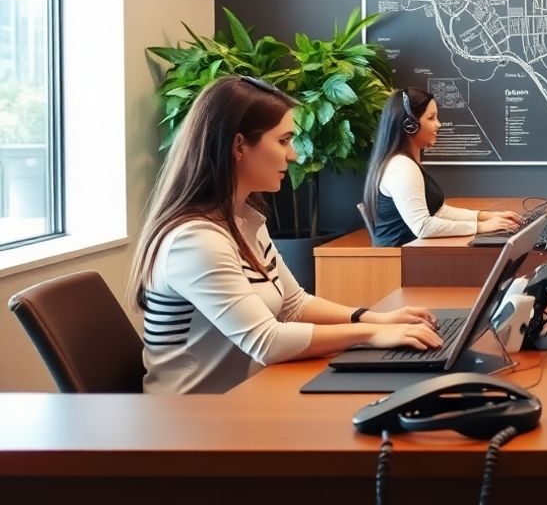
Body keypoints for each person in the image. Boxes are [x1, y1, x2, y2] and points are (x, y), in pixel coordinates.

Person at [129, 76, 443, 394]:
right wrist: (369, 334)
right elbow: (267, 341)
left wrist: (376, 319)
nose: (293, 155)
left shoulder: (243, 221)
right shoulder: (194, 241)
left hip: (248, 396)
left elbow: (293, 305)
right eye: (283, 141)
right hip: (191, 423)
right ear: (239, 146)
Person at [362, 88, 521, 246]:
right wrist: (480, 227)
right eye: (431, 118)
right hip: (399, 263)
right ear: (410, 125)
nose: (439, 124)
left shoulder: (404, 162)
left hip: (411, 255)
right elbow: (423, 227)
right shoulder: (402, 167)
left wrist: (486, 216)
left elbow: (439, 211)